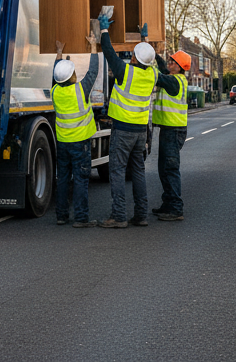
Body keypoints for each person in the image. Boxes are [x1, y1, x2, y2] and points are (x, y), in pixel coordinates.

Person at [98, 19, 181, 228]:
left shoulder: (125, 71)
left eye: (134, 54)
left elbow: (108, 52)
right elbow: (171, 85)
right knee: (137, 172)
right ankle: (141, 215)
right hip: (140, 133)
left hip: (123, 130)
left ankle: (118, 216)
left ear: (134, 58)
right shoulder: (152, 74)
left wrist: (104, 29)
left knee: (116, 171)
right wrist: (146, 41)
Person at [52, 37, 100, 228]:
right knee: (81, 180)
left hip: (63, 142)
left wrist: (59, 52)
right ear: (72, 75)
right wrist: (94, 46)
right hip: (80, 144)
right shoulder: (81, 90)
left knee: (63, 179)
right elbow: (93, 72)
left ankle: (61, 216)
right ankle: (81, 218)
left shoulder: (55, 91)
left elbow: (54, 75)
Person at [151, 49, 191, 221]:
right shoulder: (174, 78)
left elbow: (160, 76)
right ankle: (168, 204)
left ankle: (175, 208)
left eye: (173, 62)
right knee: (163, 169)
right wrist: (154, 54)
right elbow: (163, 70)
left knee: (170, 169)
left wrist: (146, 61)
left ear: (180, 67)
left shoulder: (175, 82)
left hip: (173, 130)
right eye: (169, 61)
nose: (169, 64)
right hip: (169, 129)